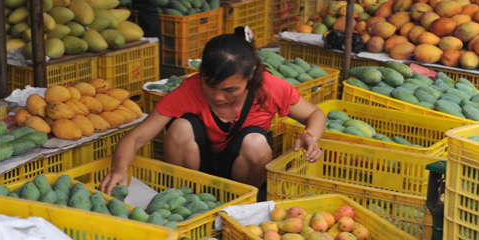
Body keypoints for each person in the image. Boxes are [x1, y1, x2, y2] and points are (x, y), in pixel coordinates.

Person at [99, 30, 326, 198]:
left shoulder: (270, 88)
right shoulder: (189, 90)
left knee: (256, 142)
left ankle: (243, 200)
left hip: (243, 170)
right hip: (196, 167)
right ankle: (184, 197)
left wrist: (310, 135)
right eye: (210, 86)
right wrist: (120, 169)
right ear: (201, 74)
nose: (218, 97)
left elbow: (315, 114)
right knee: (181, 127)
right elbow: (135, 137)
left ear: (251, 75)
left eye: (230, 90)